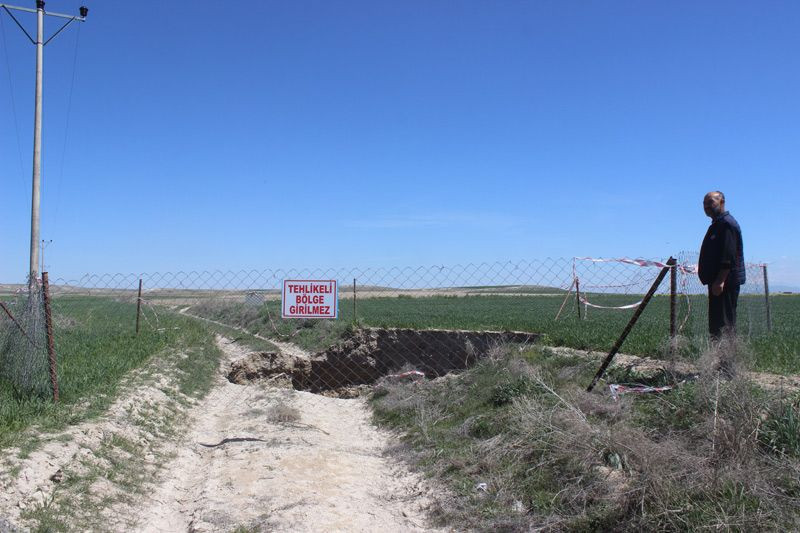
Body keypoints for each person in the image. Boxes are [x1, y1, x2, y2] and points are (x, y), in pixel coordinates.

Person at [698, 191, 745, 341]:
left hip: (725, 284)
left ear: (722, 202)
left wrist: (720, 281)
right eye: (704, 204)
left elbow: (728, 255)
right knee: (717, 325)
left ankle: (727, 363)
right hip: (717, 283)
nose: (706, 206)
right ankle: (719, 362)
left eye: (710, 202)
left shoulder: (726, 224)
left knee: (725, 325)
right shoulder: (717, 224)